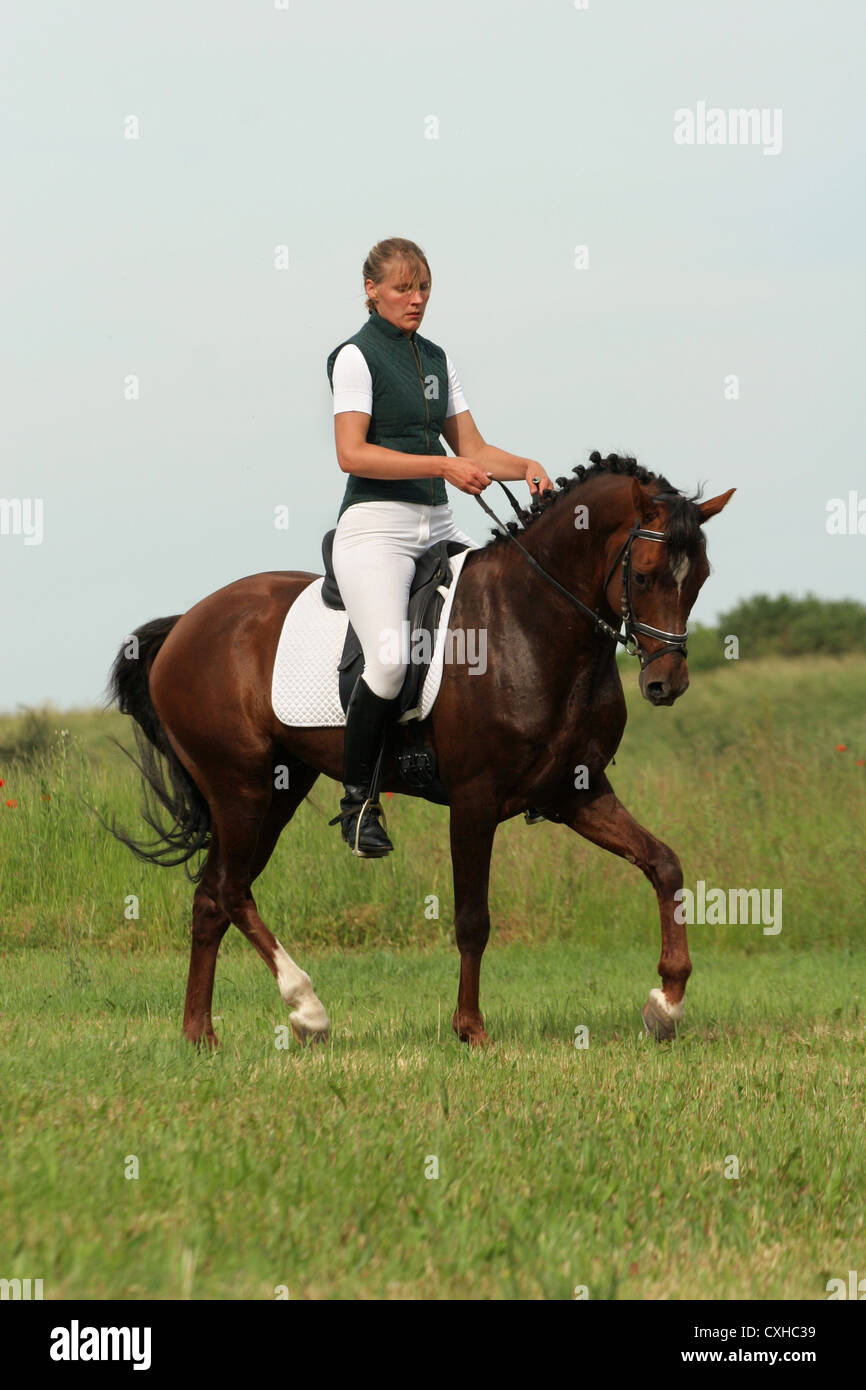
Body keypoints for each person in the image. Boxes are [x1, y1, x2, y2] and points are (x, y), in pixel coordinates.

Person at [327, 237, 554, 857]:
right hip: (376, 529)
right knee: (393, 659)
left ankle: (533, 771)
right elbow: (352, 453)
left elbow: (472, 450)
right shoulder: (355, 358)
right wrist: (443, 467)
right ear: (371, 290)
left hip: (437, 526)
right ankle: (358, 802)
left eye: (424, 288)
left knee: (508, 620)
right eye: (403, 288)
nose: (417, 299)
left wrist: (524, 464)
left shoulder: (436, 358)